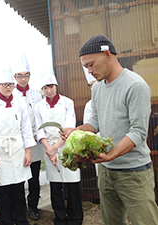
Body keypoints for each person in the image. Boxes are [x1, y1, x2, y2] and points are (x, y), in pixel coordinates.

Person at [61, 34, 158, 225]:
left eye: (90, 64)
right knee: (112, 221)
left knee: (145, 221)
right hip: (106, 172)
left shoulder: (135, 85)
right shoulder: (97, 88)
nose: (89, 71)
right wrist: (78, 131)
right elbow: (95, 121)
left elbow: (138, 132)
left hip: (134, 172)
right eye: (85, 67)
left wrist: (112, 154)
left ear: (107, 54)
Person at [0, 66, 36, 225]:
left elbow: (26, 129)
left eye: (10, 85)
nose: (8, 88)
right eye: (4, 85)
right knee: (3, 191)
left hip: (18, 149)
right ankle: (6, 221)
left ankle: (21, 220)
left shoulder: (20, 102)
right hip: (0, 150)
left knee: (19, 189)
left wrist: (28, 152)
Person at [35, 73, 83, 225]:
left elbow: (69, 127)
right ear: (42, 90)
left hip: (67, 147)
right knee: (55, 186)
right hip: (49, 148)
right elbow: (39, 129)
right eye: (45, 88)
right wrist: (49, 149)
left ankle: (75, 219)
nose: (49, 90)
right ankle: (60, 218)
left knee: (72, 184)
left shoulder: (68, 102)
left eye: (51, 86)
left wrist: (55, 148)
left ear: (56, 86)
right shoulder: (39, 106)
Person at [12, 56, 43, 220]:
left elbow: (39, 117)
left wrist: (38, 135)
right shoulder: (12, 95)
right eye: (20, 76)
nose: (23, 79)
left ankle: (33, 206)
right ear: (14, 77)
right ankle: (19, 208)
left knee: (34, 176)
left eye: (26, 75)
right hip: (19, 143)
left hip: (35, 143)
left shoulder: (36, 95)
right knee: (18, 177)